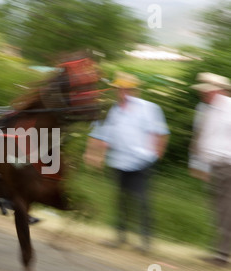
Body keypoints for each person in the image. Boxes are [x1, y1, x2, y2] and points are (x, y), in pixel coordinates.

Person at [83, 71, 170, 253]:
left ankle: (146, 241)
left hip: (142, 162)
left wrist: (155, 155)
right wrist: (94, 154)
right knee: (121, 201)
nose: (123, 93)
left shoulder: (149, 109)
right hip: (120, 162)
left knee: (142, 201)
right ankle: (120, 237)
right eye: (119, 89)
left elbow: (161, 134)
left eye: (127, 89)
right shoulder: (112, 111)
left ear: (135, 90)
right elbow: (101, 136)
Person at [194, 73, 231, 266]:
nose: (203, 95)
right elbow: (205, 138)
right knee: (218, 210)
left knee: (225, 210)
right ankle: (220, 252)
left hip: (227, 166)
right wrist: (202, 164)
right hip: (216, 166)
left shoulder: (228, 109)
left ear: (216, 91)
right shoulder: (212, 110)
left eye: (205, 92)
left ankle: (222, 255)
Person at [188, 72, 223, 182]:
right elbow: (198, 131)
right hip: (209, 155)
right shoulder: (201, 107)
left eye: (206, 91)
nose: (202, 93)